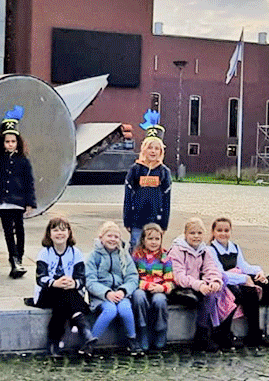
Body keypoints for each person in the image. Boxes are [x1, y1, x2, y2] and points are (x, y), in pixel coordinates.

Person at [166, 217, 235, 352]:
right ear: (185, 234)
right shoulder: (177, 250)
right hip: (180, 288)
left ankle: (210, 333)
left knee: (215, 292)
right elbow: (179, 277)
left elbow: (211, 269)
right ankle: (203, 335)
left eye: (199, 233)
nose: (196, 236)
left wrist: (215, 281)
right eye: (192, 233)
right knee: (205, 295)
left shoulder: (205, 250)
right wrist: (199, 285)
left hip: (197, 286)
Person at [0, 106, 36, 278]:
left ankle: (19, 258)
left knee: (19, 230)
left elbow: (29, 183)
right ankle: (13, 261)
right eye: (7, 142)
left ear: (18, 143)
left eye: (13, 141)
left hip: (19, 201)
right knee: (8, 232)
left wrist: (30, 202)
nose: (10, 144)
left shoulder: (23, 161)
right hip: (3, 201)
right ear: (3, 143)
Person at [31, 215, 93, 357]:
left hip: (68, 292)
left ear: (69, 233)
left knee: (63, 299)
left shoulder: (75, 253)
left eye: (63, 230)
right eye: (55, 230)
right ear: (49, 234)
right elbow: (40, 278)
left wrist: (74, 283)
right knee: (63, 294)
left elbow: (82, 278)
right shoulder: (44, 253)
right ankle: (83, 328)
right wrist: (55, 282)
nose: (60, 233)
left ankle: (54, 341)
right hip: (47, 293)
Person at [209, 216, 269, 349]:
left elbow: (243, 266)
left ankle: (254, 335)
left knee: (252, 292)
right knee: (235, 295)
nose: (223, 233)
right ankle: (224, 333)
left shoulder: (235, 248)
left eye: (226, 230)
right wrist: (244, 279)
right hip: (221, 283)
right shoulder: (211, 250)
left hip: (235, 280)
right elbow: (220, 273)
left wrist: (258, 271)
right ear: (213, 232)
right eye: (219, 230)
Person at [85, 220, 141, 355]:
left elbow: (133, 277)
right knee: (110, 311)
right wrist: (106, 293)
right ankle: (90, 342)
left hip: (121, 293)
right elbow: (90, 281)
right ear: (101, 237)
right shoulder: (94, 256)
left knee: (125, 309)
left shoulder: (124, 255)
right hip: (101, 295)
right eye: (109, 236)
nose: (113, 239)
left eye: (116, 237)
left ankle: (132, 340)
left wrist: (123, 290)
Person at [123, 111, 172, 249]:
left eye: (157, 148)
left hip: (155, 221)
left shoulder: (164, 172)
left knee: (152, 251)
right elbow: (128, 197)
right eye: (150, 147)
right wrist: (127, 220)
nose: (153, 151)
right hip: (137, 221)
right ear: (144, 149)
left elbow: (166, 200)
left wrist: (164, 224)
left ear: (161, 152)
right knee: (136, 248)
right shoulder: (135, 170)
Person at [131, 222, 173, 352]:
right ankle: (142, 330)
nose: (154, 242)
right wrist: (145, 285)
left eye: (157, 239)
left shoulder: (165, 257)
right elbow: (132, 277)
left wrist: (162, 288)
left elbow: (170, 281)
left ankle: (161, 330)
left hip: (159, 289)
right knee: (138, 297)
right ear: (143, 240)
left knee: (159, 300)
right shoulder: (137, 257)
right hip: (142, 288)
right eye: (150, 239)